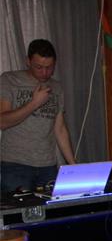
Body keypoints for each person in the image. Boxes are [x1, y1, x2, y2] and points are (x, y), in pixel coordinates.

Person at [0, 39, 76, 193]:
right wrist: (34, 103)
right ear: (28, 62)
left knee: (52, 208)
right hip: (15, 165)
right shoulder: (10, 80)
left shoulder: (56, 87)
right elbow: (2, 122)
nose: (44, 72)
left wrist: (73, 165)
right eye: (39, 67)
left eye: (49, 67)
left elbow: (60, 129)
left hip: (48, 166)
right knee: (18, 209)